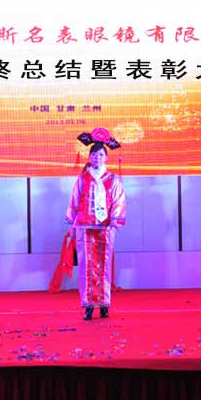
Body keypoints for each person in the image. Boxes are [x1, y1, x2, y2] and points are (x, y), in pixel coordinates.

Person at [65, 128, 126, 321]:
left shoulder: (113, 179)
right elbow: (74, 201)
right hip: (84, 226)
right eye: (94, 155)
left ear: (106, 158)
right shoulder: (82, 178)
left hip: (105, 227)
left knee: (104, 265)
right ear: (89, 157)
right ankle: (88, 305)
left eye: (100, 155)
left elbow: (119, 201)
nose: (97, 158)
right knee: (86, 265)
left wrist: (115, 218)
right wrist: (72, 224)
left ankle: (104, 304)